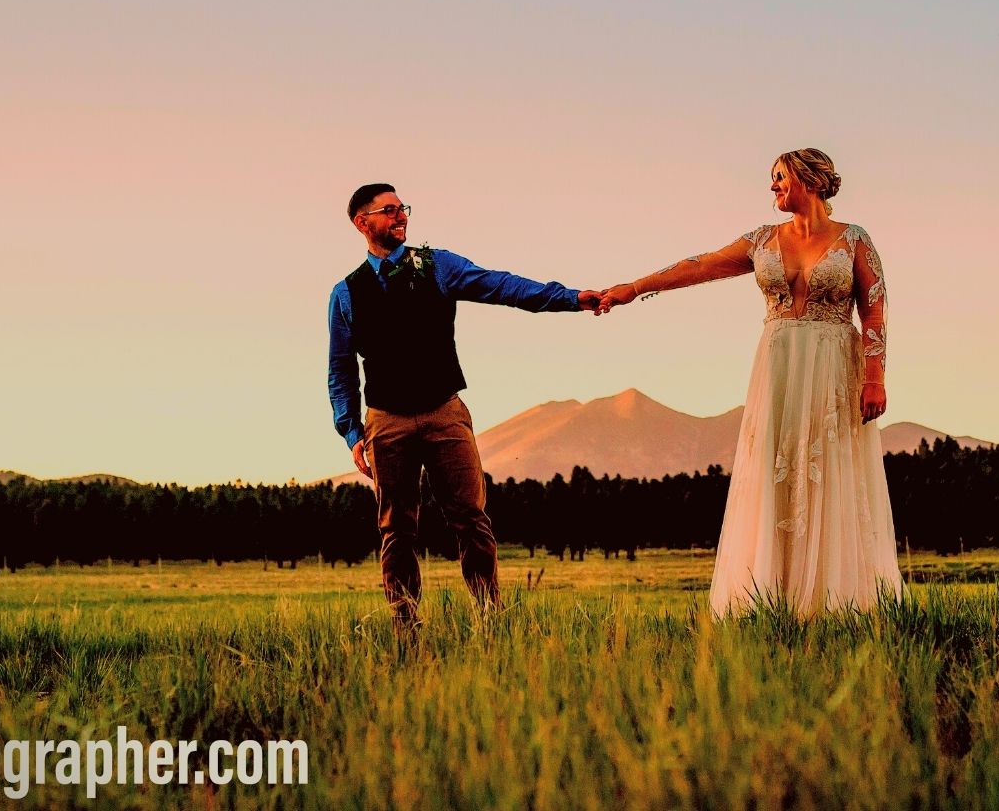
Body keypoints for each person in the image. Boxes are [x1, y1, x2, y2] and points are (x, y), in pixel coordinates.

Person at [598, 149, 904, 616]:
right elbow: (699, 265)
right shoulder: (762, 240)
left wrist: (875, 377)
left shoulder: (855, 240)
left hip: (833, 367)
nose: (772, 186)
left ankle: (834, 602)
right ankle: (771, 599)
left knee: (829, 470)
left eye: (779, 177)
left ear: (809, 179)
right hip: (778, 367)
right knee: (774, 470)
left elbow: (875, 309)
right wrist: (632, 289)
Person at [328, 183, 600, 629]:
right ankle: (405, 627)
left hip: (445, 412)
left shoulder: (439, 267)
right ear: (363, 223)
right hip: (386, 421)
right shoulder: (345, 294)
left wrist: (571, 299)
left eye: (404, 209)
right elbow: (340, 372)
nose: (402, 217)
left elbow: (504, 286)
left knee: (471, 519)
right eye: (390, 210)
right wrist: (352, 433)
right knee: (396, 530)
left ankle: (491, 618)